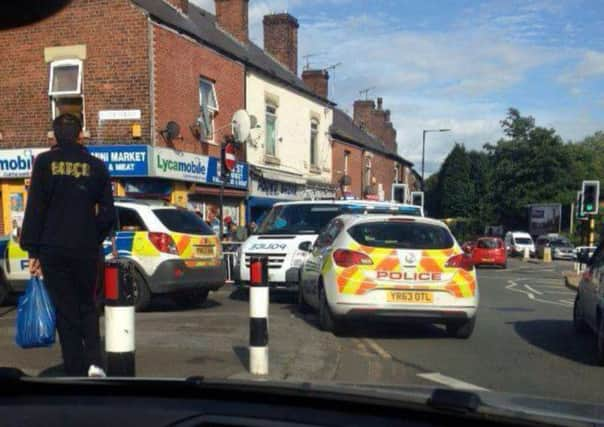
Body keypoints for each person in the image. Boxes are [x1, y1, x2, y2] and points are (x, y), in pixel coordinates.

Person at [20, 114, 116, 377]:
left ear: (53, 136)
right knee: (88, 305)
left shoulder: (44, 163)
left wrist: (33, 250)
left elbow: (36, 209)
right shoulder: (96, 166)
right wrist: (92, 236)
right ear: (80, 135)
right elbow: (108, 213)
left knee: (65, 310)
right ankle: (96, 364)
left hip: (52, 249)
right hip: (85, 248)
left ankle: (74, 368)